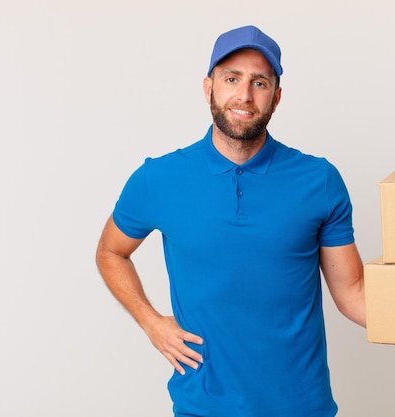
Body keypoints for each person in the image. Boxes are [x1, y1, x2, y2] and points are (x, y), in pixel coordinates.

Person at [95, 25, 366, 417]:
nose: (244, 95)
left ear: (277, 96)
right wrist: (151, 322)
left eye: (259, 82)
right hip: (202, 406)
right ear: (209, 87)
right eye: (231, 79)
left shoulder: (319, 180)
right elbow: (110, 251)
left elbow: (353, 293)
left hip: (302, 407)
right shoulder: (158, 179)